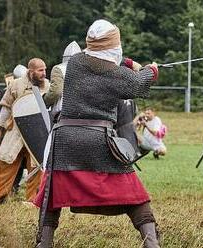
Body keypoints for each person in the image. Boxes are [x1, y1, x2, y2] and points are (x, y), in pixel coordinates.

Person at [34, 19, 160, 248]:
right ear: (114, 47)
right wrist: (151, 70)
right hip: (98, 140)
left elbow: (99, 59)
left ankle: (44, 243)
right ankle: (152, 243)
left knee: (51, 196)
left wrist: (128, 62)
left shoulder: (75, 63)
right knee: (134, 194)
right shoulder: (116, 75)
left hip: (66, 139)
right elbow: (139, 85)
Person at [0, 58, 49, 204]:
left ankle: (33, 200)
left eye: (45, 70)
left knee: (36, 166)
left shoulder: (47, 86)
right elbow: (6, 106)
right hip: (15, 130)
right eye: (40, 70)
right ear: (31, 71)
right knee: (5, 162)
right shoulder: (16, 84)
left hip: (37, 132)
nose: (44, 73)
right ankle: (0, 198)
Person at [43, 41, 81, 121]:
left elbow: (56, 91)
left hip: (63, 117)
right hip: (83, 116)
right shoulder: (86, 70)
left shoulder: (58, 69)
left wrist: (45, 101)